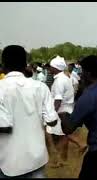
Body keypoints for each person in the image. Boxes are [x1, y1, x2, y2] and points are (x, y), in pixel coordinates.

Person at [0, 45, 58, 178]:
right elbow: (52, 121)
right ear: (25, 65)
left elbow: (4, 127)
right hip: (37, 158)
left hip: (9, 162)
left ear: (3, 66)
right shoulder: (41, 87)